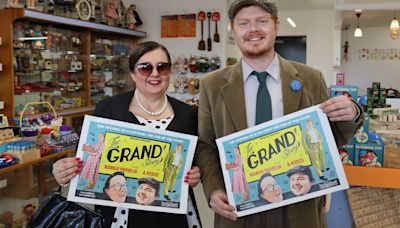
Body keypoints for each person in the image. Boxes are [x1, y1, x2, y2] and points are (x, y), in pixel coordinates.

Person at [196, 0, 363, 227]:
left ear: (276, 26)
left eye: (262, 21)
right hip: (240, 210)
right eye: (244, 23)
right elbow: (206, 145)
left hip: (298, 208)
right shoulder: (212, 84)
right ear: (233, 30)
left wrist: (351, 113)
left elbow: (329, 139)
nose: (253, 29)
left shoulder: (311, 78)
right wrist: (214, 189)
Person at [52, 41, 201, 228]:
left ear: (169, 72)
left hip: (171, 215)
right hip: (122, 215)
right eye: (145, 68)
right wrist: (64, 170)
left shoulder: (188, 114)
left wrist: (195, 175)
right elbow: (83, 157)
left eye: (162, 67)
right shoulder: (109, 108)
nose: (154, 73)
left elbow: (194, 162)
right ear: (132, 73)